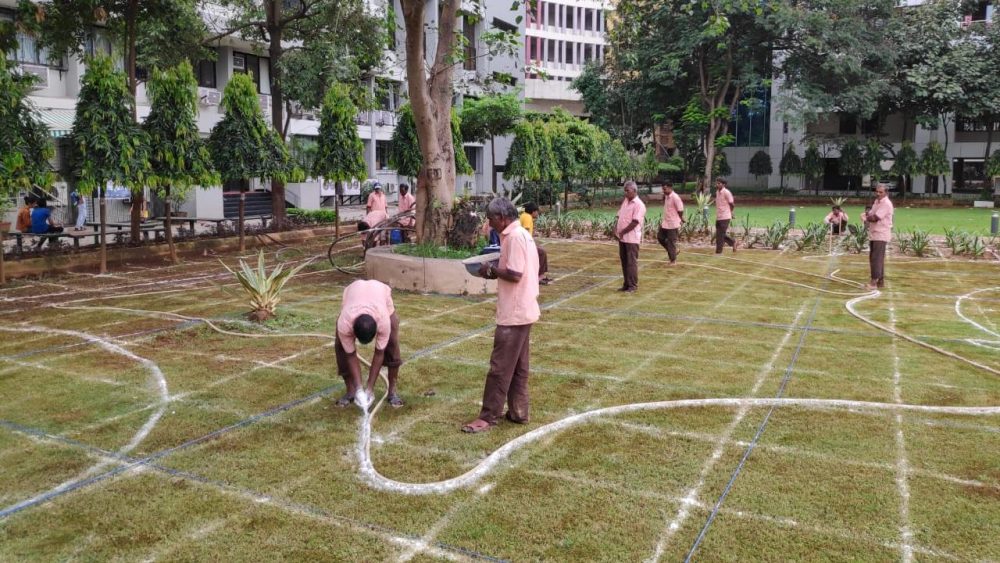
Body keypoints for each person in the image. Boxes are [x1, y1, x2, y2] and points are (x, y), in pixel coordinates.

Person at [462, 198, 540, 433]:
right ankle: (518, 412)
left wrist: (491, 270)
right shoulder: (518, 235)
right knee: (518, 367)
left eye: (491, 218)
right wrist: (496, 270)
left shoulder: (515, 237)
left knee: (500, 366)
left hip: (514, 313)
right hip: (523, 309)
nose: (489, 222)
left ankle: (488, 417)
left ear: (502, 218)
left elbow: (515, 274)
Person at [334, 279, 403, 408]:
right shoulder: (345, 323)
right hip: (353, 292)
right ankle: (351, 391)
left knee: (392, 343)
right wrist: (360, 389)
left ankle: (392, 391)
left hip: (380, 292)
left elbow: (379, 353)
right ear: (352, 330)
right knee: (340, 347)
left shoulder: (383, 321)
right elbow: (350, 355)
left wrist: (370, 388)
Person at [614, 180, 646, 292]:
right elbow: (619, 216)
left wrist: (622, 232)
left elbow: (635, 222)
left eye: (627, 191)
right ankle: (626, 284)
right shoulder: (626, 201)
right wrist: (616, 229)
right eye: (625, 191)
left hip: (631, 238)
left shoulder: (639, 205)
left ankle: (633, 285)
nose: (625, 193)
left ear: (634, 190)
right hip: (622, 238)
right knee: (624, 261)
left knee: (631, 262)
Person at [861, 183, 894, 290]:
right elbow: (871, 213)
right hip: (875, 233)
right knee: (875, 258)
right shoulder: (877, 202)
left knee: (876, 259)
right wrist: (866, 214)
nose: (878, 194)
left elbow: (875, 217)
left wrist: (866, 218)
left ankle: (873, 283)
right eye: (877, 192)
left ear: (886, 193)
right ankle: (880, 281)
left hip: (881, 234)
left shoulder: (886, 204)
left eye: (881, 192)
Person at [519, 202, 552, 285]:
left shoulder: (524, 215)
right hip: (525, 245)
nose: (538, 213)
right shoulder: (527, 217)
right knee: (542, 253)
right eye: (537, 211)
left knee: (540, 252)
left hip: (524, 243)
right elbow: (525, 231)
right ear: (533, 211)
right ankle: (539, 276)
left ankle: (540, 275)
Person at [657, 182, 684, 265]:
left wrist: (681, 218)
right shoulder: (666, 196)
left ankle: (673, 260)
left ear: (670, 188)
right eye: (663, 189)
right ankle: (674, 250)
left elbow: (680, 210)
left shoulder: (675, 197)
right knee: (660, 238)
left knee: (671, 242)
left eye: (664, 189)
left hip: (673, 223)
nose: (663, 191)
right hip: (666, 222)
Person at [714, 178, 737, 254]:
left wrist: (731, 212)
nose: (717, 185)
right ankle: (733, 242)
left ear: (724, 184)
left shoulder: (727, 192)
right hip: (718, 216)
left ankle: (718, 252)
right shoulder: (717, 192)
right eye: (717, 183)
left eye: (719, 183)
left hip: (725, 216)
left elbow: (732, 204)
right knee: (719, 234)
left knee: (720, 236)